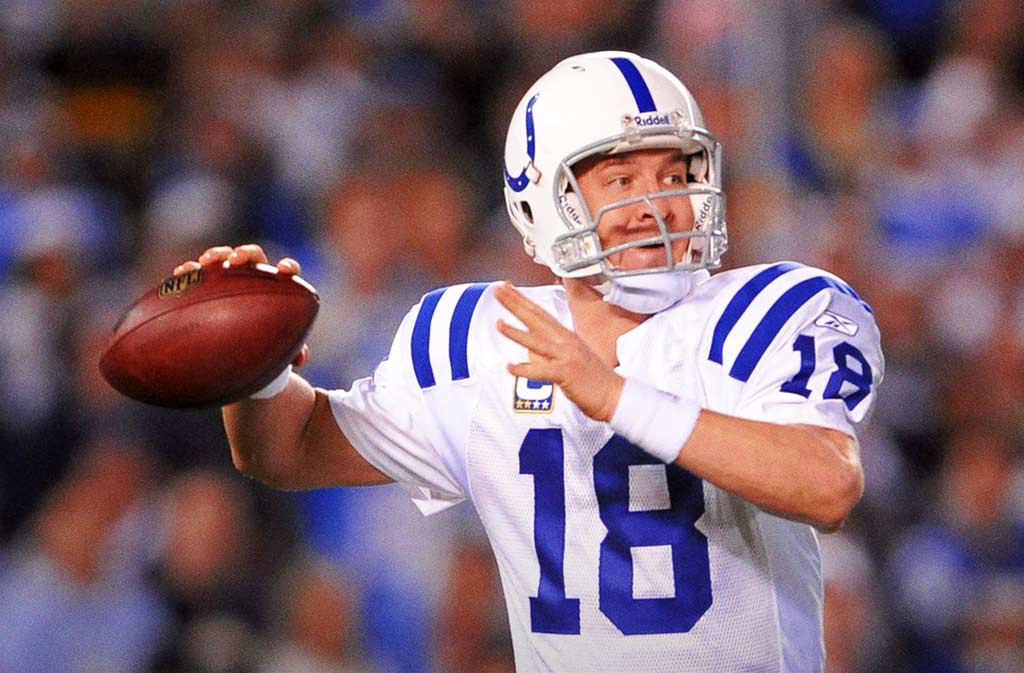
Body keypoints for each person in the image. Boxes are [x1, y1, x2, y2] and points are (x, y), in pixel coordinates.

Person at [174, 51, 884, 673]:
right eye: (621, 178)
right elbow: (289, 451)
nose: (659, 203)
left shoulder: (772, 309)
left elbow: (825, 484)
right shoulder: (480, 334)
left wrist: (613, 395)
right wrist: (255, 367)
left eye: (676, 170)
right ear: (545, 200)